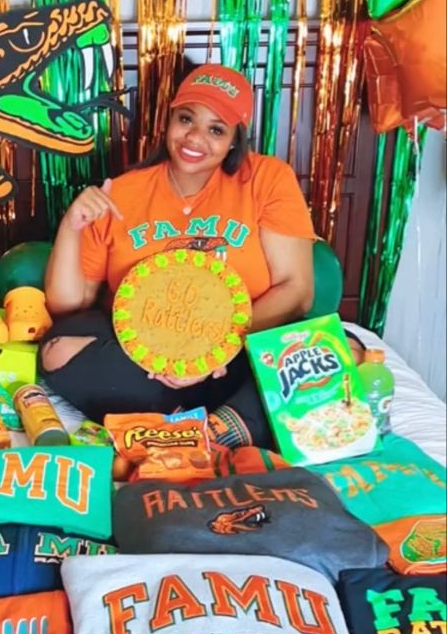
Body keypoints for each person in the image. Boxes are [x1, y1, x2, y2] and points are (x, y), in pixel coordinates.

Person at [41, 64, 315, 446]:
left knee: (325, 348)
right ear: (168, 120)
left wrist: (210, 351)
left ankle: (209, 429)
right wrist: (71, 227)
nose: (195, 138)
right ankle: (213, 425)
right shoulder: (122, 192)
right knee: (56, 349)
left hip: (235, 353)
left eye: (216, 129)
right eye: (186, 119)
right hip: (143, 361)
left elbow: (296, 289)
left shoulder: (267, 179)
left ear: (235, 140)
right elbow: (69, 305)